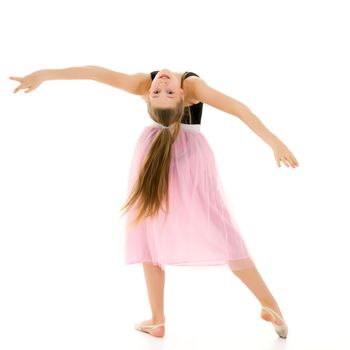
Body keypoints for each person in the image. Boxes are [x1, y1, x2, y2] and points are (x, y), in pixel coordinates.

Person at [9, 66, 299, 339]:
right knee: (163, 233)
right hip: (161, 159)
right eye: (161, 92)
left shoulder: (165, 83)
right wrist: (44, 74)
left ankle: (160, 319)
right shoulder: (180, 85)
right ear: (171, 97)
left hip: (168, 158)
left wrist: (274, 142)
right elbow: (93, 73)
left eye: (165, 91)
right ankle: (266, 305)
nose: (161, 85)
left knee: (174, 230)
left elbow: (93, 72)